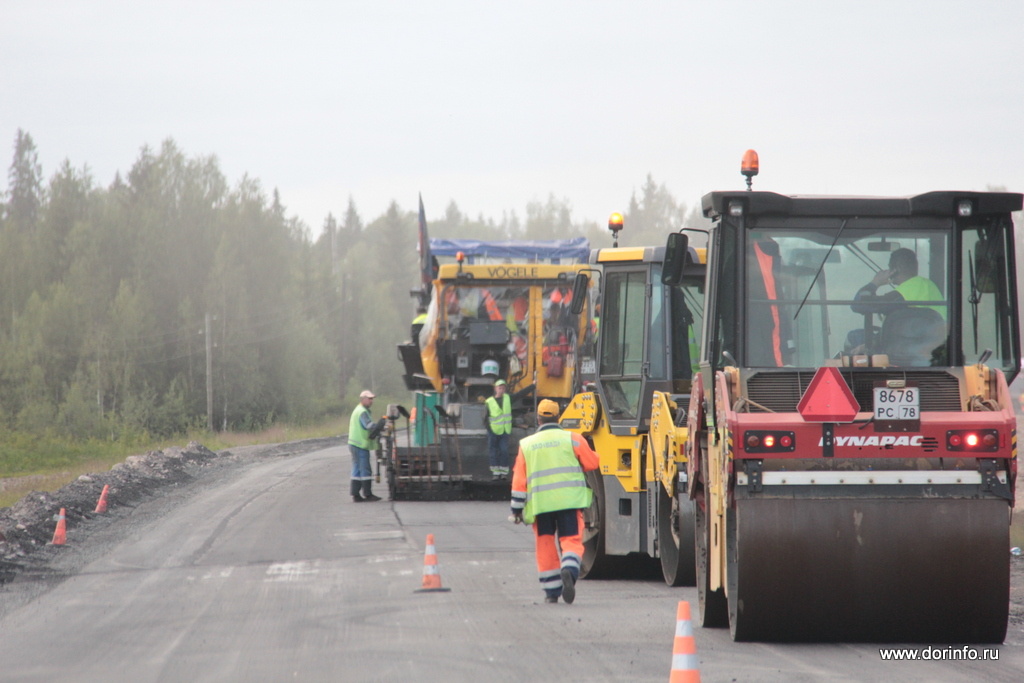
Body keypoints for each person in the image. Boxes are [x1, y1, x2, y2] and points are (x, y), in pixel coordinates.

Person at [510, 399, 599, 604]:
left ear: (539, 418)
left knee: (545, 546)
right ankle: (568, 570)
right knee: (570, 542)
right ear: (558, 417)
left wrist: (516, 509)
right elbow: (592, 463)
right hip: (569, 503)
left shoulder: (527, 445)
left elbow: (518, 481)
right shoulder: (573, 439)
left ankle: (552, 592)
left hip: (541, 506)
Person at [349, 390, 384, 503]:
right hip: (360, 444)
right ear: (363, 399)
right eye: (369, 399)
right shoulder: (362, 412)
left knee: (357, 469)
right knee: (365, 469)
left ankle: (356, 495)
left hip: (354, 443)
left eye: (372, 399)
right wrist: (380, 426)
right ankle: (368, 494)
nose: (371, 401)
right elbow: (369, 426)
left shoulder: (359, 410)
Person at [485, 379, 513, 480]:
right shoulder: (489, 401)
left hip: (505, 431)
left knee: (504, 451)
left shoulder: (508, 398)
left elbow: (520, 394)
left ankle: (504, 472)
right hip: (493, 431)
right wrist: (489, 429)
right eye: (499, 388)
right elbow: (485, 417)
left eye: (503, 388)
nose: (501, 390)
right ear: (495, 388)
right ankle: (496, 473)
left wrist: (532, 386)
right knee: (493, 451)